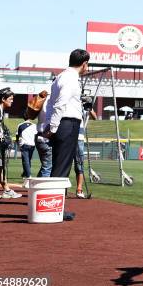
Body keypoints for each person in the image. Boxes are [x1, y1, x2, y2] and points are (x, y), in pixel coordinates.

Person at [43, 49, 90, 219]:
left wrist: (50, 125)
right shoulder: (70, 78)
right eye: (87, 64)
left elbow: (51, 104)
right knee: (62, 167)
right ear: (84, 63)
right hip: (67, 123)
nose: (87, 67)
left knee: (59, 165)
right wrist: (53, 127)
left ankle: (55, 207)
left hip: (63, 123)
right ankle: (56, 209)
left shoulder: (61, 77)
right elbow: (60, 103)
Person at [74, 109, 96, 199]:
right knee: (66, 163)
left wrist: (89, 108)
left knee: (79, 164)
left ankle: (79, 190)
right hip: (69, 136)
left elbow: (94, 117)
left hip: (79, 137)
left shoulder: (83, 107)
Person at [35, 93, 53, 177]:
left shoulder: (42, 99)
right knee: (47, 168)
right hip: (47, 136)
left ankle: (35, 186)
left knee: (45, 166)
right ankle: (42, 189)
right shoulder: (53, 100)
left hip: (39, 134)